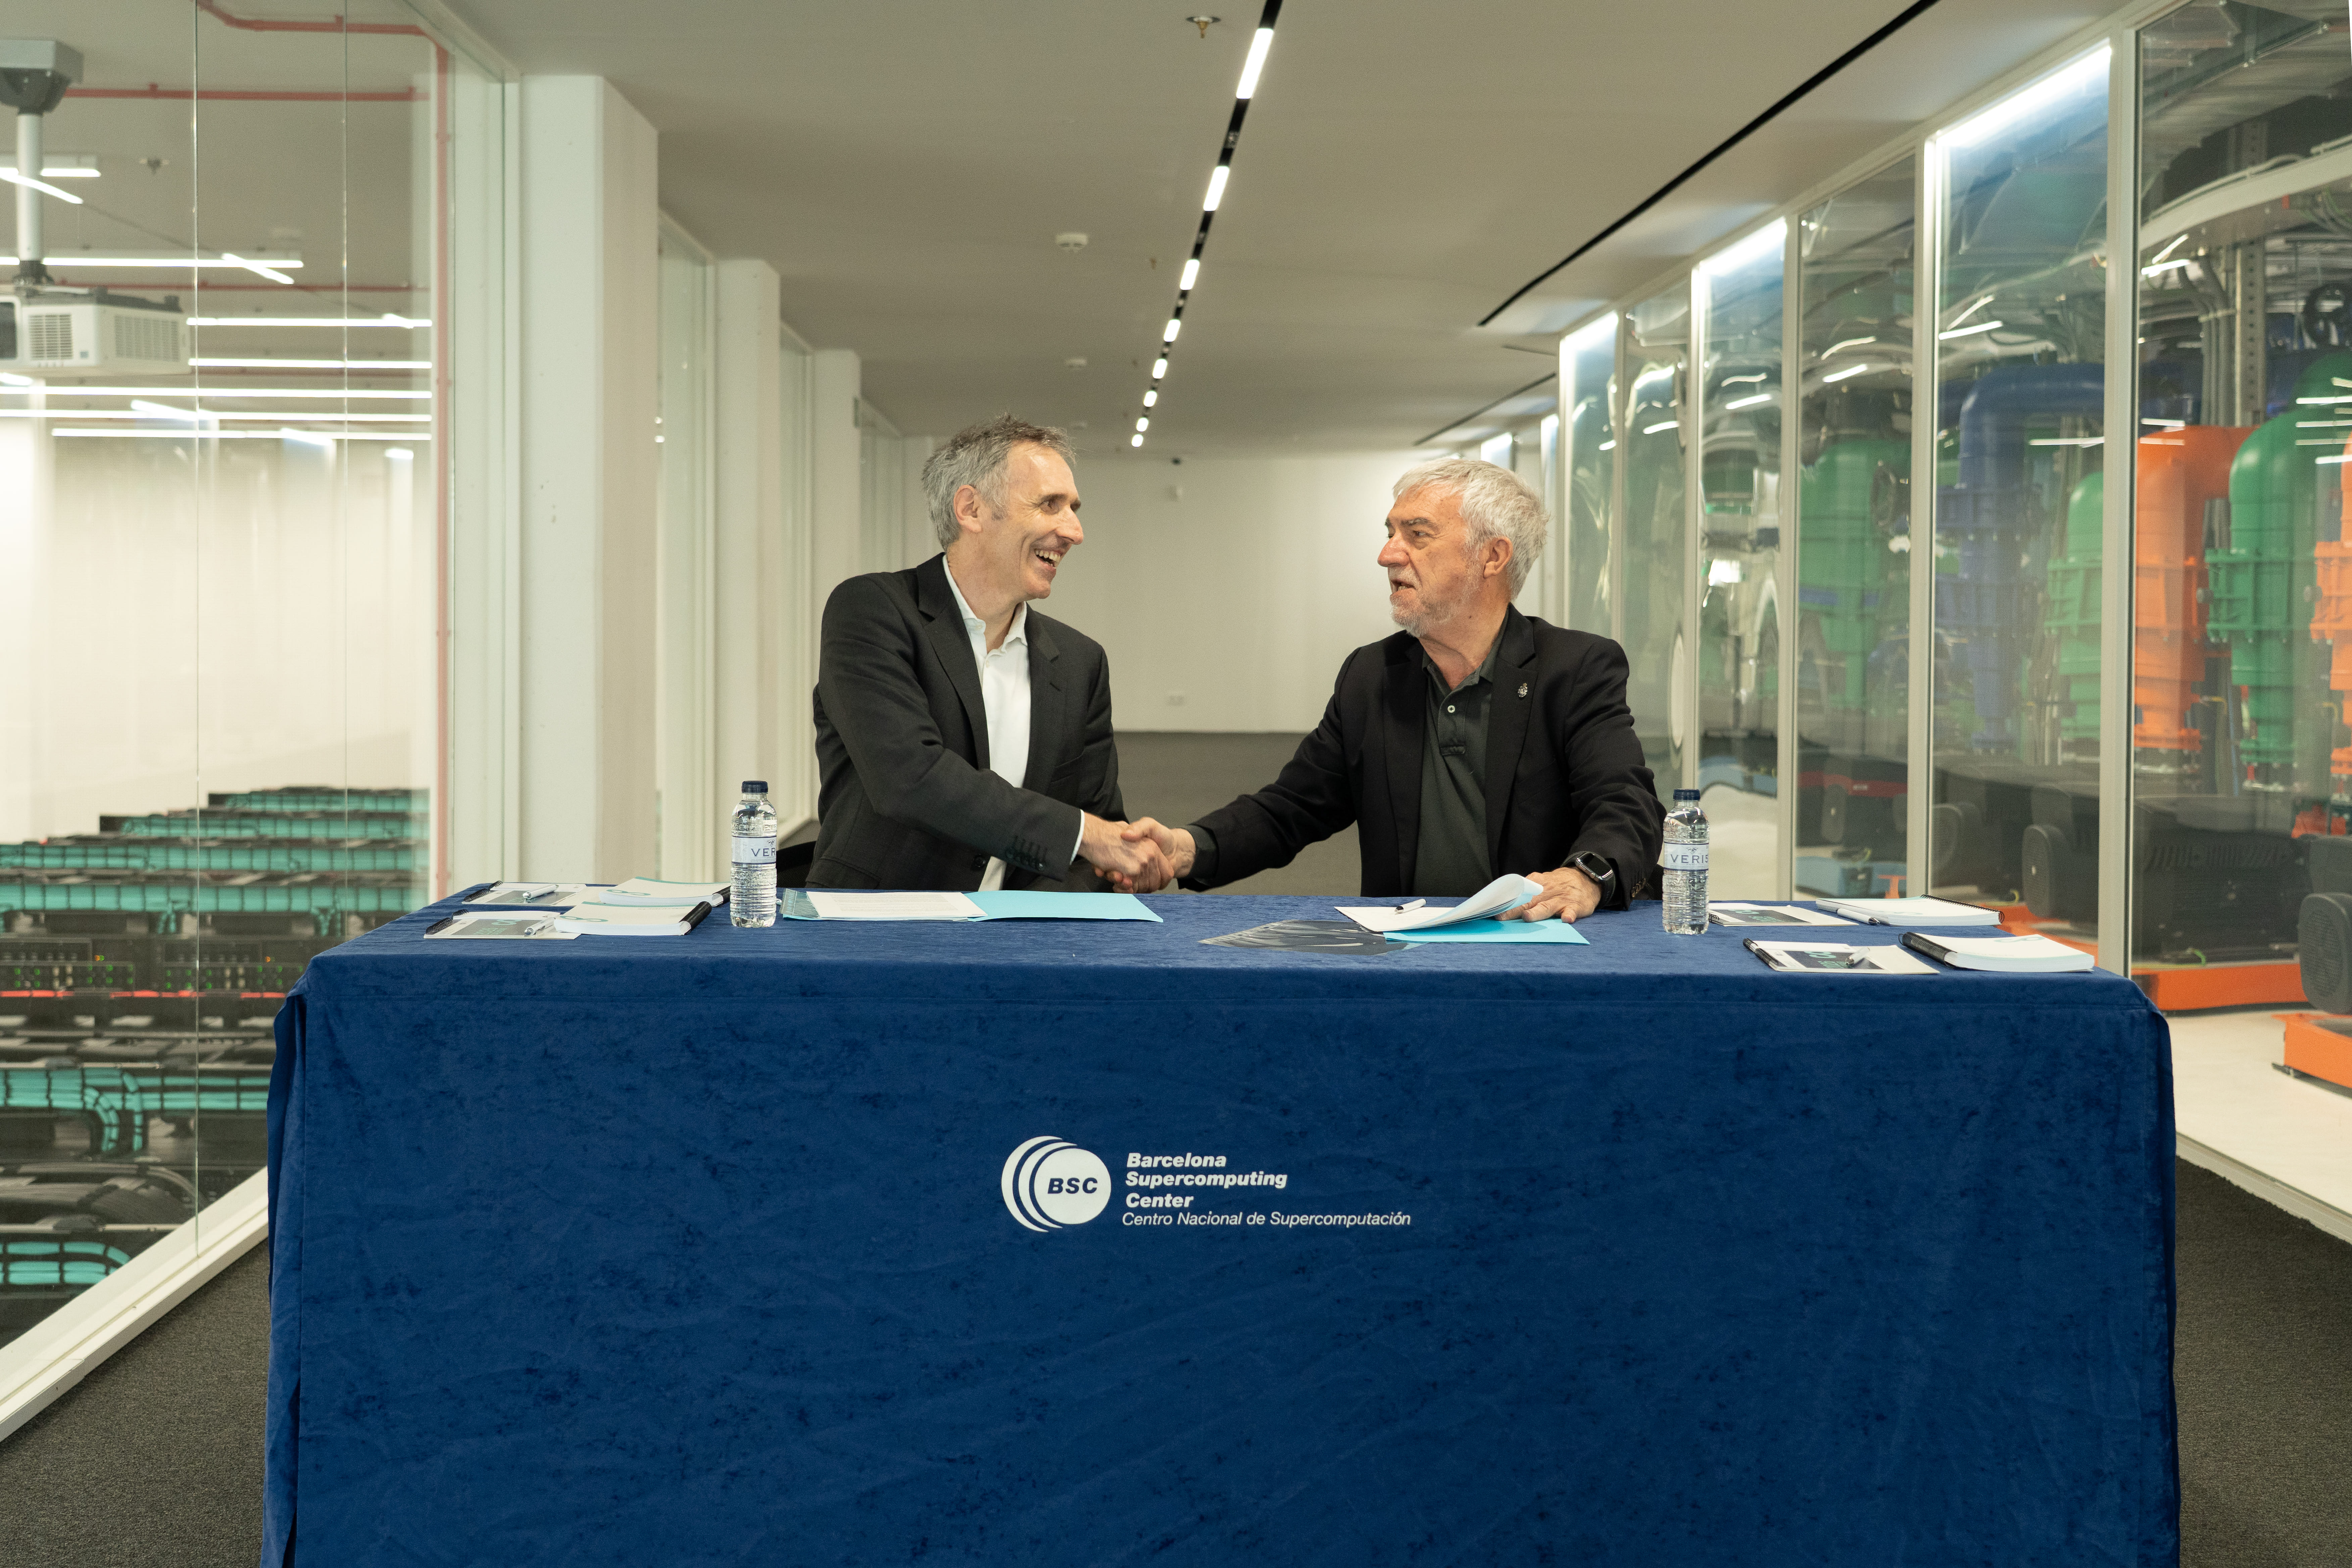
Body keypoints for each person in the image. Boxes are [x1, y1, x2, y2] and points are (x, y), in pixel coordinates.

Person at [1122, 457, 1661, 921]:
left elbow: (1626, 803)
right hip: (1408, 951)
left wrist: (1585, 877)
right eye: (1390, 533)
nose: (1388, 555)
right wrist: (1187, 848)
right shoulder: (1372, 675)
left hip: (1540, 948)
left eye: (1417, 535)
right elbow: (1293, 806)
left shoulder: (1574, 669)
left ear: (1492, 557)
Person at [809, 415, 1171, 893]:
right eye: (1050, 504)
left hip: (1019, 935)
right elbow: (910, 778)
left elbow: (1098, 836)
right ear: (972, 509)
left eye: (1073, 508)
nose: (1074, 531)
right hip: (876, 925)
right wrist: (1082, 835)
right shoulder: (872, 611)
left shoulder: (1081, 661)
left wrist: (1106, 868)